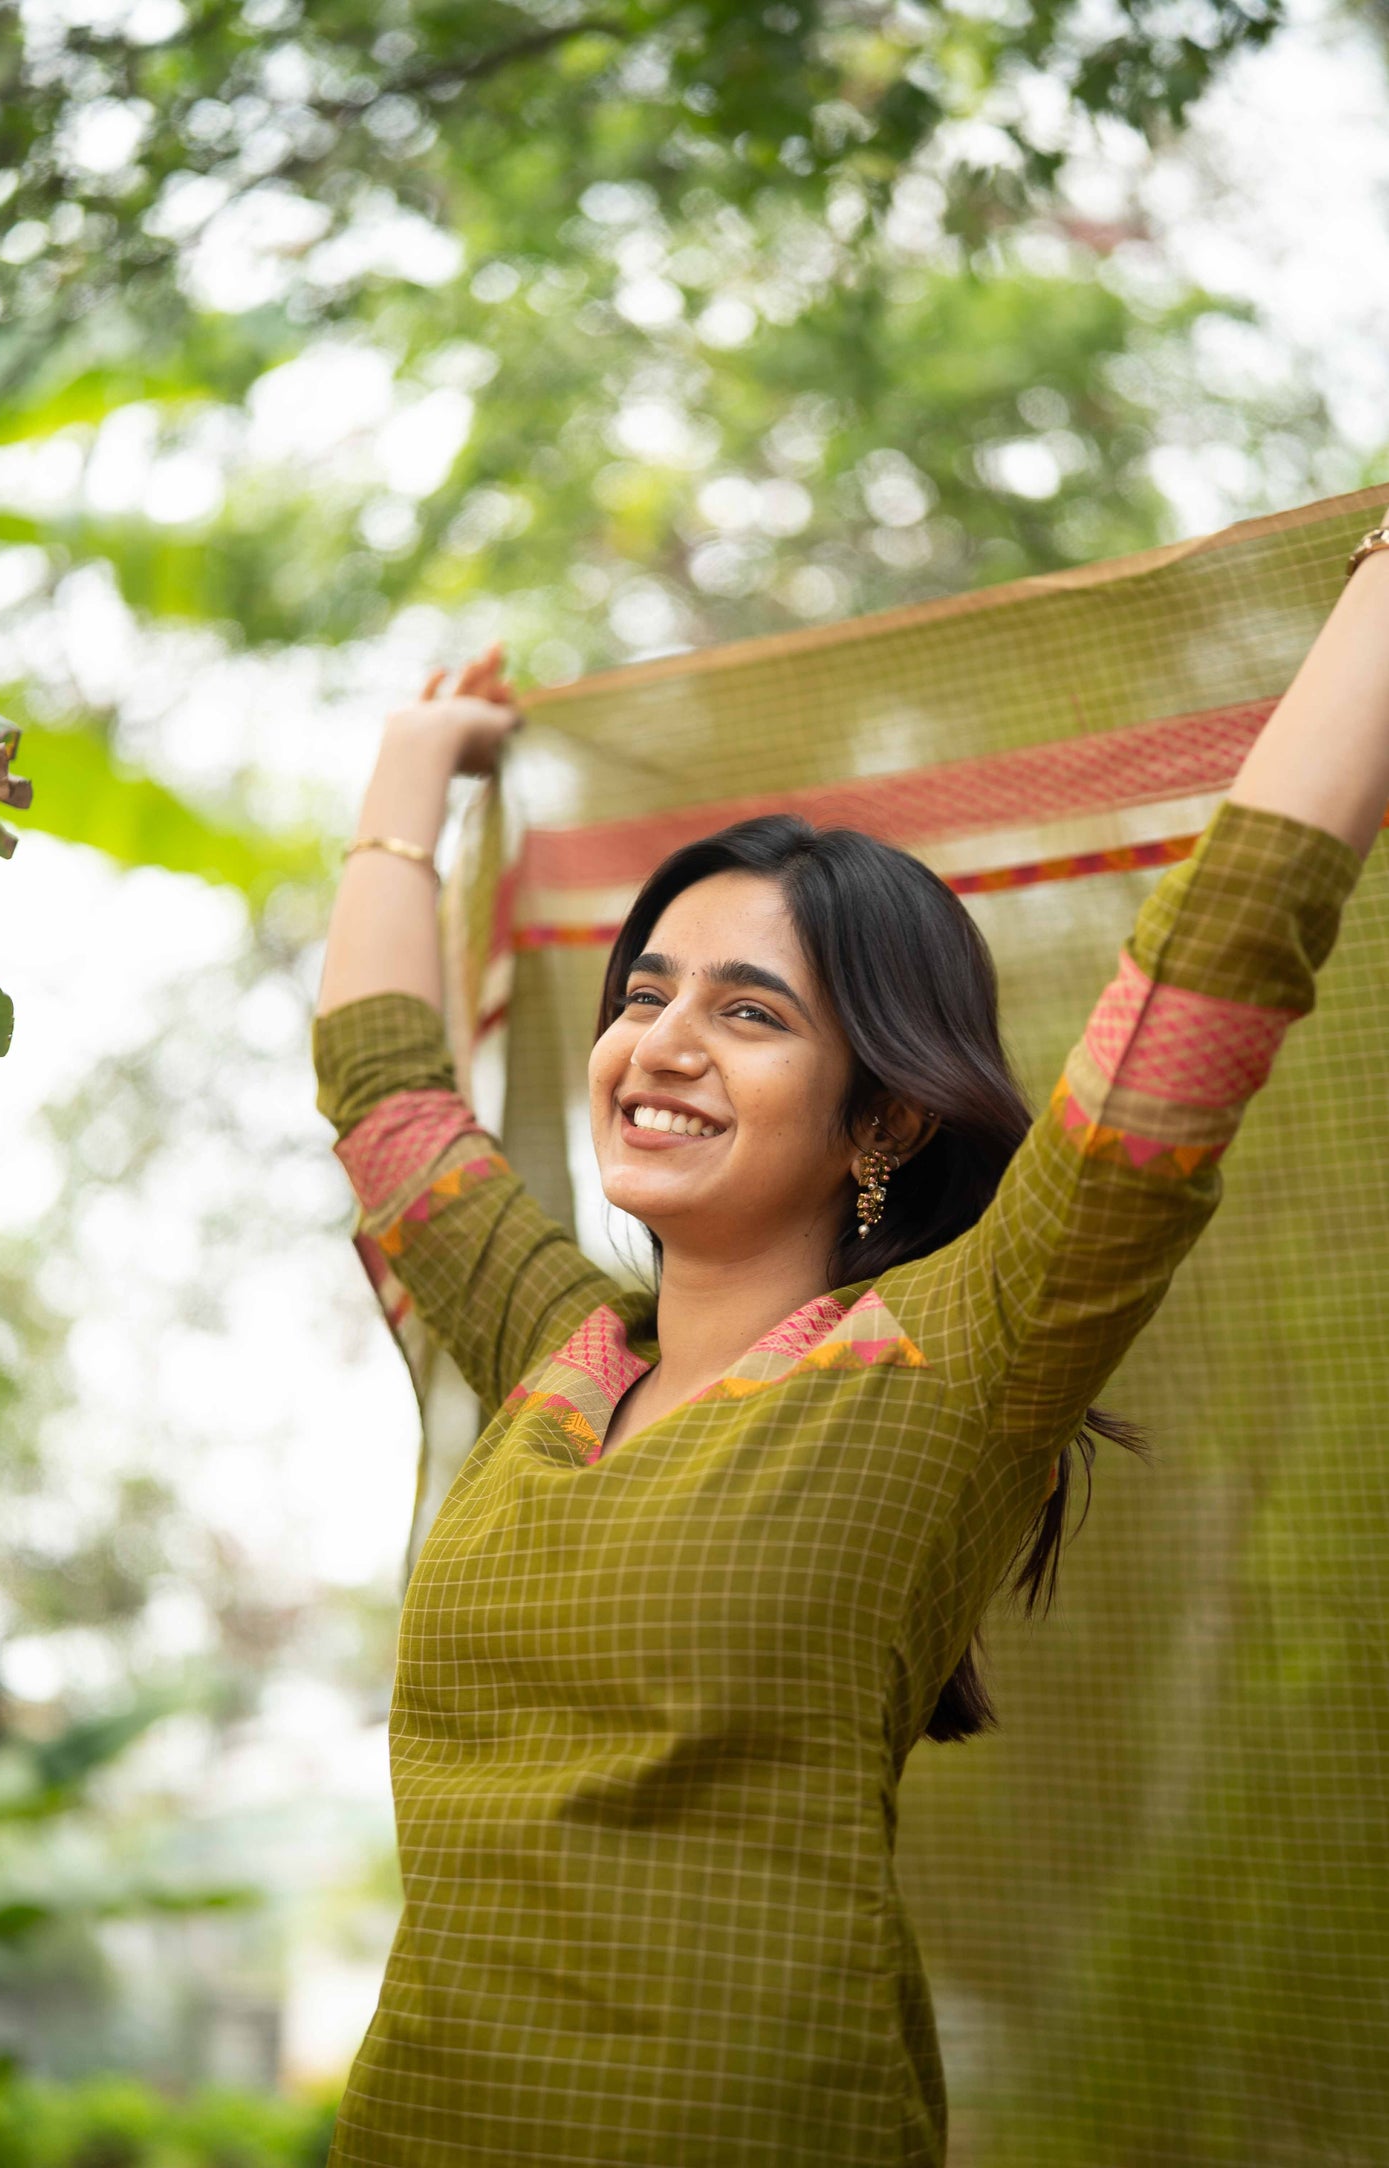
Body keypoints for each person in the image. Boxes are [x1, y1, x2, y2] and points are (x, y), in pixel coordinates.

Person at [311, 519, 1389, 2167]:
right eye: (644, 993)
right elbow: (386, 1096)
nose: (658, 1045)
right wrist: (409, 786)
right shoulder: (555, 1353)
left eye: (748, 1013)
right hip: (417, 2128)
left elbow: (1208, 975)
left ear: (877, 1108)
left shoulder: (964, 1348)